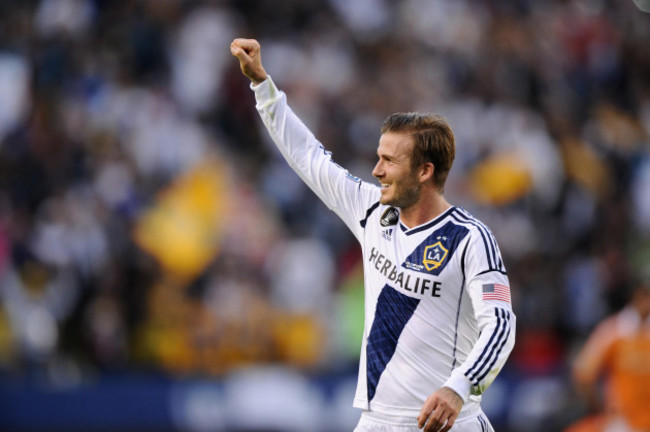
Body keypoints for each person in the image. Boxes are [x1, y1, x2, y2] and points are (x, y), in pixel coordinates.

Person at [230, 38, 516, 432]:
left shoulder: (470, 239)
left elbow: (500, 325)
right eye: (378, 158)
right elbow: (309, 158)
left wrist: (458, 388)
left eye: (389, 161)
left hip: (449, 423)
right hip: (378, 422)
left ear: (424, 171)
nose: (377, 170)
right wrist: (263, 86)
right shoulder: (372, 211)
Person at [566, 282, 650, 432]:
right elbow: (583, 373)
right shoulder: (613, 332)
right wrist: (600, 408)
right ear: (636, 297)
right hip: (624, 423)